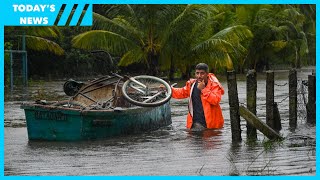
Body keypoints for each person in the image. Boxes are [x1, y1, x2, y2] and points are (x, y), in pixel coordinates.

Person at [171, 63, 224, 130]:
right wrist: (168, 90)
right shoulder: (192, 84)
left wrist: (203, 89)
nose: (199, 76)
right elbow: (181, 92)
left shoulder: (214, 85)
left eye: (202, 73)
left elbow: (215, 100)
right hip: (194, 124)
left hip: (211, 126)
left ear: (207, 74)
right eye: (197, 73)